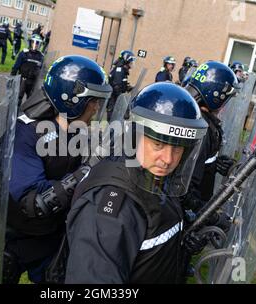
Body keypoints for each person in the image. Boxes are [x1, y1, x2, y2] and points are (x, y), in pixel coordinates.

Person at [64, 82, 208, 283]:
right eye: (158, 144)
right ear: (134, 137)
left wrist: (181, 246)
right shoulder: (109, 209)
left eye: (177, 148)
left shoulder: (153, 177)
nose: (167, 159)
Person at [3, 55, 112, 284]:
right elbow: (34, 203)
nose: (96, 108)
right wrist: (87, 171)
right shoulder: (25, 133)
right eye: (93, 100)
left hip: (53, 234)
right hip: (16, 237)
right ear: (70, 99)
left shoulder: (76, 129)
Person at [180, 61, 239, 277]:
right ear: (217, 96)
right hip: (182, 219)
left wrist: (214, 164)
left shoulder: (195, 117)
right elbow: (185, 188)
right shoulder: (202, 129)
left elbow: (195, 167)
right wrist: (210, 217)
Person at [11, 34, 44, 105]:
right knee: (18, 99)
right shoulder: (24, 53)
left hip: (33, 82)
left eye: (37, 43)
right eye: (33, 42)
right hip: (22, 79)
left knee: (30, 101)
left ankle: (26, 115)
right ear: (30, 42)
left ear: (40, 44)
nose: (35, 45)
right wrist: (12, 79)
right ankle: (14, 112)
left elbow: (42, 70)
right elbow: (16, 67)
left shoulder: (41, 56)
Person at [107, 50, 136, 121]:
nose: (131, 63)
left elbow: (121, 84)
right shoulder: (119, 70)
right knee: (113, 119)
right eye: (130, 61)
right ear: (126, 60)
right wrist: (123, 103)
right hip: (113, 98)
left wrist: (128, 87)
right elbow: (117, 87)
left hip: (116, 98)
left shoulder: (122, 70)